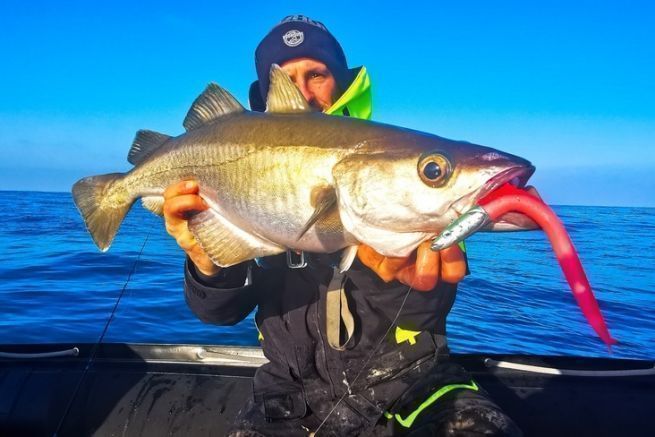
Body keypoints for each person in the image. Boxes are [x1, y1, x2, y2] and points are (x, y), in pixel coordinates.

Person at [163, 15, 522, 436]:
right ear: (265, 96)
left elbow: (425, 316)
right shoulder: (242, 183)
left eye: (317, 73)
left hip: (412, 385)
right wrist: (206, 261)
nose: (303, 90)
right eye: (286, 78)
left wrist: (394, 279)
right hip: (285, 398)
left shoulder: (407, 196)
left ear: (342, 82)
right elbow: (219, 316)